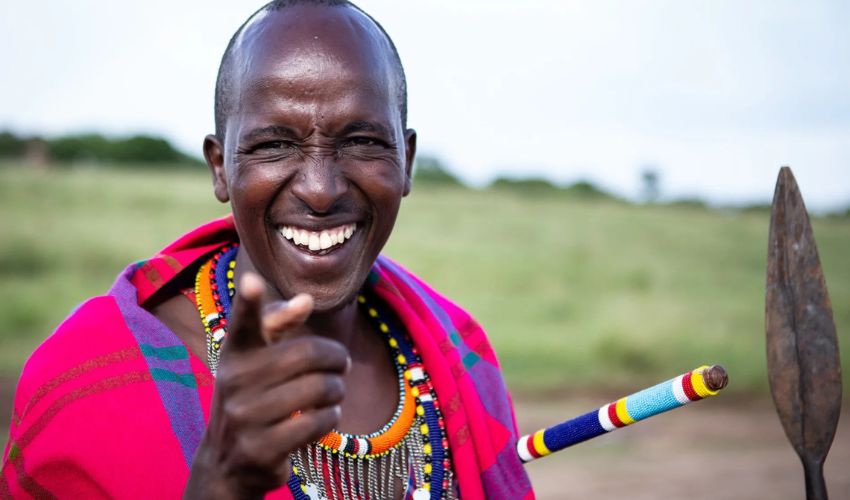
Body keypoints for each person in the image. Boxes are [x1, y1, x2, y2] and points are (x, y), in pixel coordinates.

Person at [1, 1, 534, 498]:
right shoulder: (91, 376)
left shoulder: (459, 355)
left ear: (407, 161)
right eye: (274, 145)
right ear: (220, 167)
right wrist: (214, 484)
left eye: (363, 141)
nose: (321, 190)